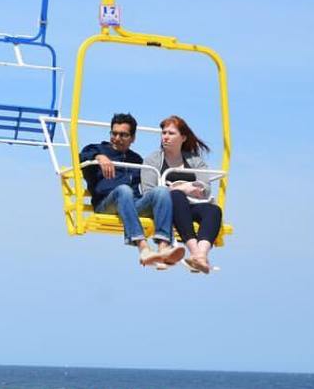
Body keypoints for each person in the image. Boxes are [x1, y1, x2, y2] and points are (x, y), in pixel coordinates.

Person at [79, 113, 183, 268]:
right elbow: (83, 156)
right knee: (124, 190)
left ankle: (163, 248)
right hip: (106, 204)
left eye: (123, 135)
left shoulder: (136, 160)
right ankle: (143, 249)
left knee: (161, 191)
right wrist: (99, 157)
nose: (117, 138)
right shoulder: (97, 149)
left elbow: (149, 183)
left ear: (132, 138)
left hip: (133, 204)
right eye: (114, 133)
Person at [142, 115, 223, 274]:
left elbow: (205, 188)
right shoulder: (152, 160)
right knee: (177, 196)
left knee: (214, 210)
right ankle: (195, 252)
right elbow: (149, 192)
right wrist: (183, 188)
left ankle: (201, 255)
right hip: (166, 209)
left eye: (171, 133)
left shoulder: (195, 161)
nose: (165, 137)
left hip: (191, 205)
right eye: (164, 133)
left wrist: (187, 187)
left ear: (183, 138)